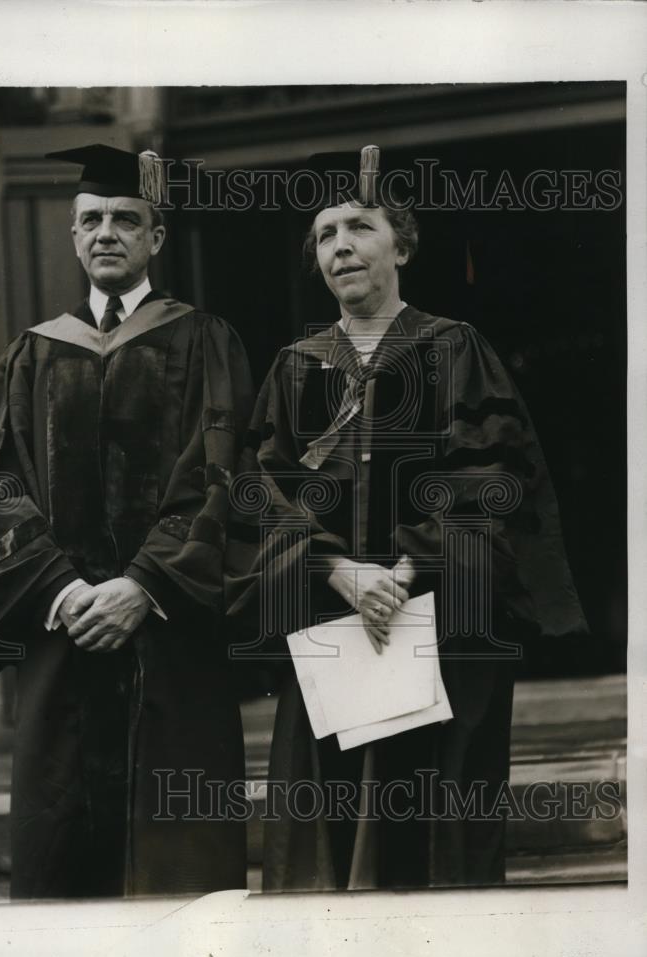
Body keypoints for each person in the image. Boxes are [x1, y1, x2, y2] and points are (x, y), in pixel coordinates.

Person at [228, 146, 587, 892]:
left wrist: (400, 569)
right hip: (329, 625)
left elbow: (491, 474)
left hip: (440, 624)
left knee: (435, 828)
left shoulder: (454, 348)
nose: (340, 247)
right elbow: (261, 488)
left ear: (402, 246)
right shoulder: (297, 369)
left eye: (358, 227)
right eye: (325, 236)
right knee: (325, 837)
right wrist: (338, 570)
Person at [0, 144, 254, 899]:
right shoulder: (32, 353)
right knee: (64, 871)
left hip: (172, 643)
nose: (106, 231)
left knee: (180, 881)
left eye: (124, 218)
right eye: (91, 220)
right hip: (64, 642)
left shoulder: (205, 340)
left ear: (156, 237)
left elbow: (225, 478)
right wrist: (62, 589)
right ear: (74, 236)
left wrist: (142, 585)